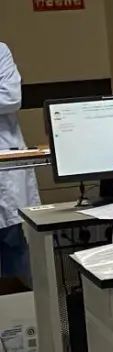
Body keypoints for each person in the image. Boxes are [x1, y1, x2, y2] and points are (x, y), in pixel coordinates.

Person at [0, 43, 40, 287]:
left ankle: (34, 307)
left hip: (5, 167)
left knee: (15, 246)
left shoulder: (0, 51)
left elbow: (10, 97)